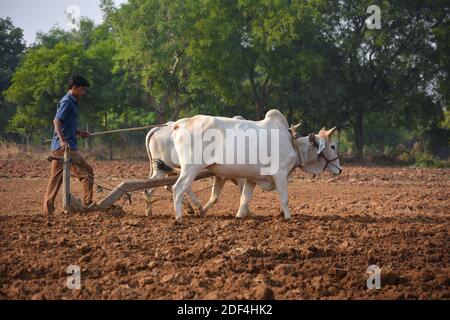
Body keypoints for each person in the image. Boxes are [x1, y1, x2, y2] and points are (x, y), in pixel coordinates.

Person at [42, 75, 94, 214]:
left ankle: (48, 210)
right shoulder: (67, 102)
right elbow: (57, 121)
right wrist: (63, 140)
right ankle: (87, 204)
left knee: (56, 179)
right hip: (66, 147)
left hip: (59, 147)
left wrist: (79, 132)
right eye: (82, 89)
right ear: (75, 87)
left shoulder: (72, 102)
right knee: (87, 172)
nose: (84, 93)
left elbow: (66, 125)